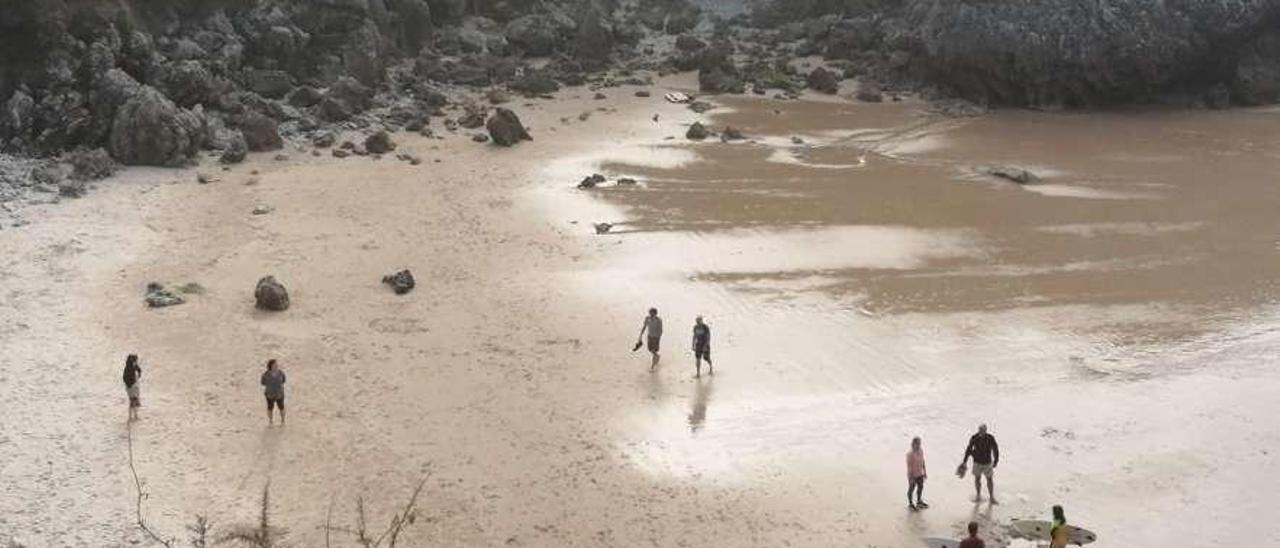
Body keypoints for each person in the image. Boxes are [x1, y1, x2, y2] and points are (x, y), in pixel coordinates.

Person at [961, 424, 999, 503]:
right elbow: (969, 449)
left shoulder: (990, 438)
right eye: (980, 430)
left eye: (983, 431)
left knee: (989, 479)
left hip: (987, 463)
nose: (981, 432)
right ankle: (978, 495)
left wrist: (996, 460)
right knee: (977, 479)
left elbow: (995, 449)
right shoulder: (974, 437)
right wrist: (965, 461)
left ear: (986, 431)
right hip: (977, 462)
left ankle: (991, 497)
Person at [261, 359, 286, 426]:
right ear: (271, 366)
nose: (276, 366)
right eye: (275, 365)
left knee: (281, 407)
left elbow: (283, 380)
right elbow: (263, 383)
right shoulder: (265, 374)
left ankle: (283, 421)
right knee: (270, 408)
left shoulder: (281, 373)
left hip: (279, 394)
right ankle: (270, 421)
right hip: (269, 394)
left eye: (276, 365)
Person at [906, 436, 928, 510]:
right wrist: (911, 478)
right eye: (917, 444)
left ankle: (919, 502)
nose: (919, 445)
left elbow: (923, 461)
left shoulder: (921, 451)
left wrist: (925, 471)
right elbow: (909, 467)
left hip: (920, 474)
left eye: (920, 443)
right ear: (913, 444)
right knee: (911, 489)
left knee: (920, 487)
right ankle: (910, 504)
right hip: (913, 475)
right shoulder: (910, 454)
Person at [122, 354, 142, 421]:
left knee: (135, 400)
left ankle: (135, 415)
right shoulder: (128, 368)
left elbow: (139, 369)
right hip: (130, 387)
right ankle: (131, 416)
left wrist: (139, 374)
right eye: (136, 360)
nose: (136, 362)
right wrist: (130, 384)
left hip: (134, 385)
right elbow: (125, 378)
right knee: (133, 400)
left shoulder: (134, 365)